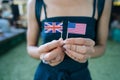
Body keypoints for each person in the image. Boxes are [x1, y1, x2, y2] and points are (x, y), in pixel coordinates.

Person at [27, 0, 112, 80]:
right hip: (46, 75)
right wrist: (43, 55)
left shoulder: (103, 2)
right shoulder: (34, 2)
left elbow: (102, 46)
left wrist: (89, 52)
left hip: (80, 75)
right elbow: (30, 47)